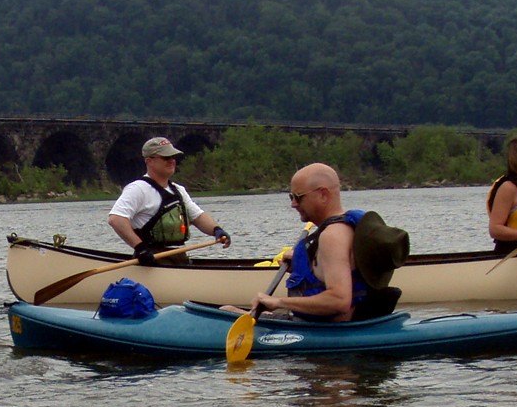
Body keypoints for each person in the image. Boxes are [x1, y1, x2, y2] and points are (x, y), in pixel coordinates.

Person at [228, 162, 406, 323]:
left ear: (323, 194)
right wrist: (299, 263)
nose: (293, 204)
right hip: (324, 323)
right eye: (291, 197)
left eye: (298, 197)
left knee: (227, 311)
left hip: (329, 329)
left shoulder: (332, 236)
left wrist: (277, 302)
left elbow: (339, 301)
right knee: (227, 310)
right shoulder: (345, 228)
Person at [108, 136, 231, 265]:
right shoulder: (138, 189)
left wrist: (216, 230)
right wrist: (140, 248)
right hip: (151, 260)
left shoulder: (178, 190)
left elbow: (198, 217)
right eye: (166, 157)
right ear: (150, 161)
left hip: (177, 257)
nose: (172, 161)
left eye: (173, 157)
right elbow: (116, 219)